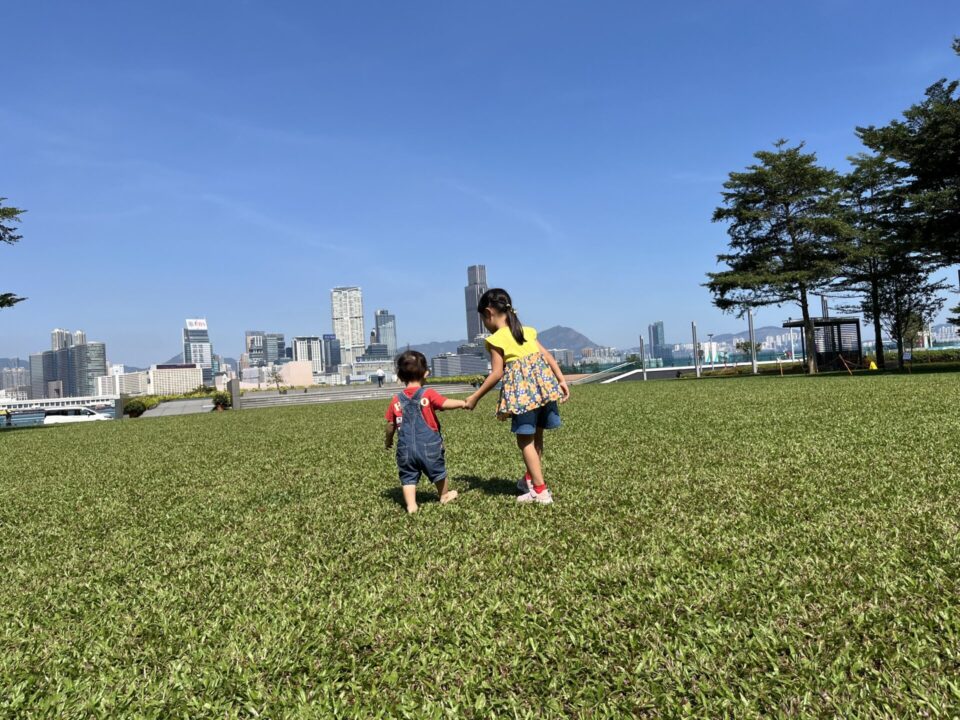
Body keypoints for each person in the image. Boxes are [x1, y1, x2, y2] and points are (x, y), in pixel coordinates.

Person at [464, 289, 570, 504]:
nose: (485, 323)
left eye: (483, 319)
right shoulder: (527, 331)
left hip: (524, 397)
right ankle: (529, 480)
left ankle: (540, 491)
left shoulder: (496, 339)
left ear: (488, 313)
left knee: (525, 440)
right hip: (545, 392)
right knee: (536, 437)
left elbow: (496, 373)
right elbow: (547, 356)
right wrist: (562, 380)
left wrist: (475, 396)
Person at [385, 350, 467, 513]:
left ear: (400, 376)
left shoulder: (396, 400)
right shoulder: (427, 394)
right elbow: (444, 403)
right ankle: (444, 495)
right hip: (429, 445)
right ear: (426, 373)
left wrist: (388, 440)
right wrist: (463, 403)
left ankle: (411, 505)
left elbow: (390, 425)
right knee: (438, 471)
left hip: (405, 448)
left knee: (408, 477)